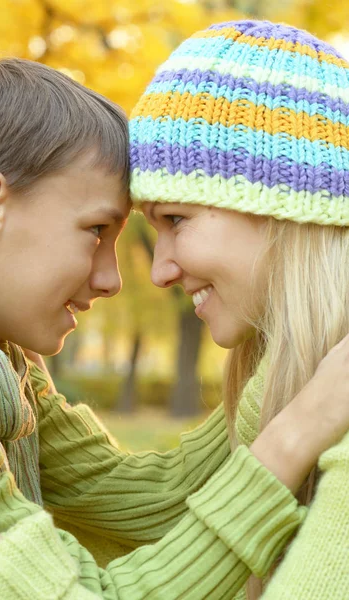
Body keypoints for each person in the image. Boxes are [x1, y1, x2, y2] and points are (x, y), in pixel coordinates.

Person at [0, 36, 348, 600]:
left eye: (177, 219)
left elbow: (146, 501)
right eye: (96, 231)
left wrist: (295, 388)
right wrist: (294, 432)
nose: (131, 277)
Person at [129, 18, 349, 598]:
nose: (159, 270)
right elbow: (148, 502)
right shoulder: (283, 394)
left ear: (285, 205)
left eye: (176, 220)